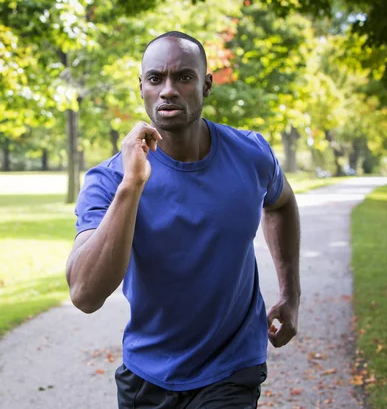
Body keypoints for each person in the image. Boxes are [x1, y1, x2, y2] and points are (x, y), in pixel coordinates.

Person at [65, 31, 301, 409]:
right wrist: (132, 186)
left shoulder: (251, 155)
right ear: (141, 87)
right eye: (156, 78)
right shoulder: (109, 180)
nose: (168, 90)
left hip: (232, 368)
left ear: (207, 85)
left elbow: (282, 204)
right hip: (146, 374)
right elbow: (85, 294)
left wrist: (291, 296)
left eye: (184, 77)